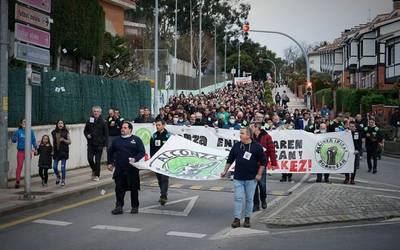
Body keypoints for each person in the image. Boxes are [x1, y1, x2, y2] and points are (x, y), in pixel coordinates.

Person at [220, 127, 267, 228]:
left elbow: (263, 162)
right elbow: (230, 159)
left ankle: (247, 219)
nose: (240, 135)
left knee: (249, 199)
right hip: (238, 177)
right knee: (238, 198)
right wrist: (225, 171)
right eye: (240, 133)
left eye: (242, 133)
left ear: (248, 135)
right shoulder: (237, 146)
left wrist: (259, 174)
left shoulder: (257, 147)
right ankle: (237, 219)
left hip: (251, 178)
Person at [107, 122, 145, 215]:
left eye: (125, 127)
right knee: (119, 188)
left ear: (130, 130)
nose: (122, 129)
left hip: (132, 169)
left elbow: (142, 152)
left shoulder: (136, 140)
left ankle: (135, 206)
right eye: (122, 127)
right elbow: (110, 152)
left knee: (134, 188)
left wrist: (135, 159)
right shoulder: (116, 140)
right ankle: (119, 207)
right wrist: (110, 163)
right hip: (119, 168)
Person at [251, 123, 277, 211]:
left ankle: (263, 199)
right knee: (253, 186)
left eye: (252, 127)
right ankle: (256, 204)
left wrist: (273, 163)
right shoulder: (250, 137)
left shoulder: (267, 137)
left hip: (262, 164)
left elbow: (271, 150)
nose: (250, 128)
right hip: (252, 164)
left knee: (262, 185)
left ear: (257, 127)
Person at [84, 106, 109, 181]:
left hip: (99, 145)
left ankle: (97, 175)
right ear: (92, 112)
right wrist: (87, 135)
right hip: (91, 144)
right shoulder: (89, 120)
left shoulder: (104, 122)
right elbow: (85, 130)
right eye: (94, 111)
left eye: (97, 111)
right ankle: (94, 170)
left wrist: (105, 145)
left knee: (97, 161)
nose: (96, 113)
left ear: (100, 112)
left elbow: (106, 134)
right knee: (90, 158)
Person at [150, 119, 171, 205]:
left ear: (163, 125)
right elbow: (151, 149)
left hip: (166, 161)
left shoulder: (169, 136)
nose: (157, 127)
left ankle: (163, 196)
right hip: (157, 161)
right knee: (159, 180)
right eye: (156, 125)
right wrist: (151, 160)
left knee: (164, 178)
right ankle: (163, 193)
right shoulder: (154, 136)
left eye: (159, 125)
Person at [11, 118, 37, 188]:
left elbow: (33, 140)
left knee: (27, 167)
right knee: (20, 166)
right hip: (21, 151)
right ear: (21, 124)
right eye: (24, 122)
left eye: (26, 122)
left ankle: (27, 182)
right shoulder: (18, 132)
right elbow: (13, 140)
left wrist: (36, 148)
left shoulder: (31, 131)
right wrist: (14, 138)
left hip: (28, 152)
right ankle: (17, 181)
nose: (25, 123)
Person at [51, 120, 71, 186]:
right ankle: (58, 176)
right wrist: (52, 151)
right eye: (59, 123)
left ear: (63, 124)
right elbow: (53, 143)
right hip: (56, 153)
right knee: (54, 167)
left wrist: (64, 140)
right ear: (57, 124)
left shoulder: (66, 132)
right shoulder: (53, 132)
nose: (60, 124)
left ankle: (63, 180)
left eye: (61, 123)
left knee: (62, 168)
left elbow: (69, 142)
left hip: (63, 152)